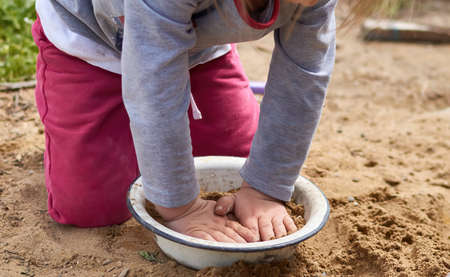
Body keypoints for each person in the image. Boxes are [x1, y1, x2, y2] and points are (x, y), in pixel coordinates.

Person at [31, 0, 379, 243]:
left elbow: (303, 77)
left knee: (238, 162)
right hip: (91, 43)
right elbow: (153, 84)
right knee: (91, 205)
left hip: (197, 51)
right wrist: (181, 208)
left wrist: (265, 187)